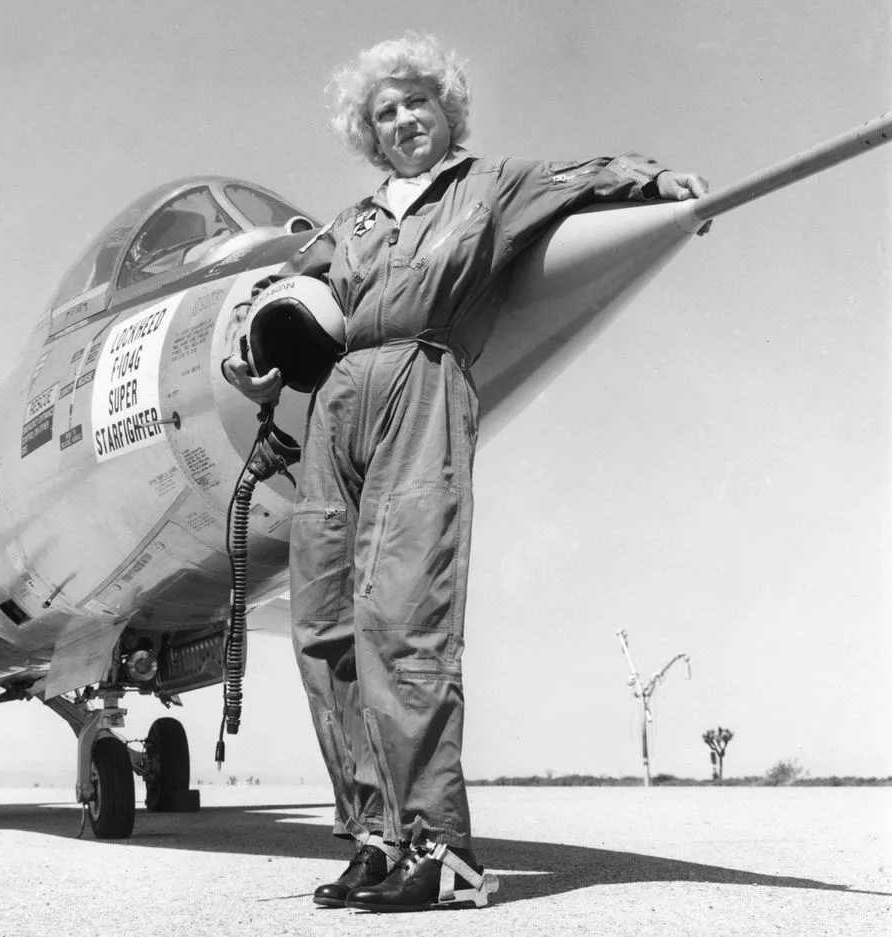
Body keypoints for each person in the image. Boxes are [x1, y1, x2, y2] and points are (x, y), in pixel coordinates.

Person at [222, 33, 709, 913]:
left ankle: (442, 849)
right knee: (323, 626)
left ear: (447, 109)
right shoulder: (354, 223)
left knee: (405, 617)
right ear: (368, 135)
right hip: (335, 405)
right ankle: (374, 833)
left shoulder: (491, 186)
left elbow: (589, 178)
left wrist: (659, 182)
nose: (404, 119)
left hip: (423, 382)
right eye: (385, 112)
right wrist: (250, 356)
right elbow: (277, 296)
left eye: (417, 102)